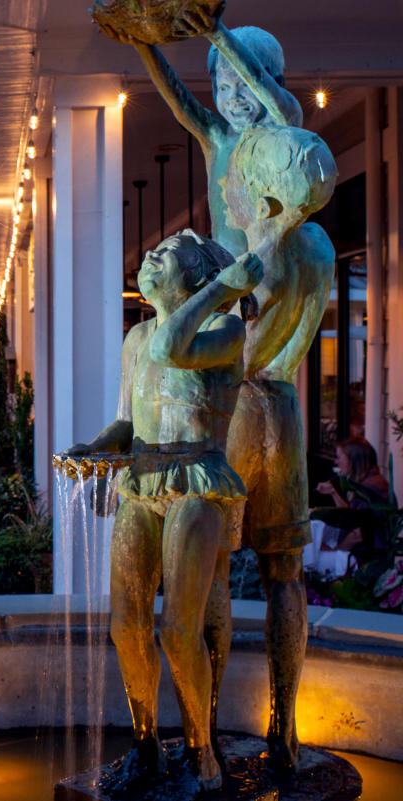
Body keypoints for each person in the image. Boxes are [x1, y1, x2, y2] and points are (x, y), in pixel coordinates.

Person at [68, 231, 260, 791]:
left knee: (179, 629)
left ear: (199, 277)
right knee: (125, 623)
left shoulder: (224, 328)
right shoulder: (137, 336)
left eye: (169, 252)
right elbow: (129, 419)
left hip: (197, 480)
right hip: (143, 478)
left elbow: (173, 350)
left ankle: (201, 750)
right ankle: (145, 740)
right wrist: (96, 448)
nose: (151, 254)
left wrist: (224, 290)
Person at [205, 122, 337, 773]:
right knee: (286, 573)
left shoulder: (257, 260)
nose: (224, 190)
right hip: (286, 413)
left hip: (239, 413)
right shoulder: (317, 247)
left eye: (234, 182)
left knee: (212, 568)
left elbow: (237, 354)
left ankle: (203, 733)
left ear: (262, 199)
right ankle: (283, 729)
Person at [97, 6, 302, 258]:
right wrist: (142, 45)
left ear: (277, 83)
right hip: (228, 280)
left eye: (244, 85)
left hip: (275, 276)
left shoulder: (283, 125)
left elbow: (260, 78)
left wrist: (217, 33)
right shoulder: (219, 139)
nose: (233, 98)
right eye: (223, 87)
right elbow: (179, 99)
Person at [313, 437, 391, 557]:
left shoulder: (370, 489)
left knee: (313, 555)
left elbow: (360, 533)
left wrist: (337, 550)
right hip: (360, 553)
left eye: (339, 457)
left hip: (365, 558)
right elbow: (352, 517)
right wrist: (333, 493)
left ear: (354, 460)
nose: (336, 462)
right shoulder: (367, 482)